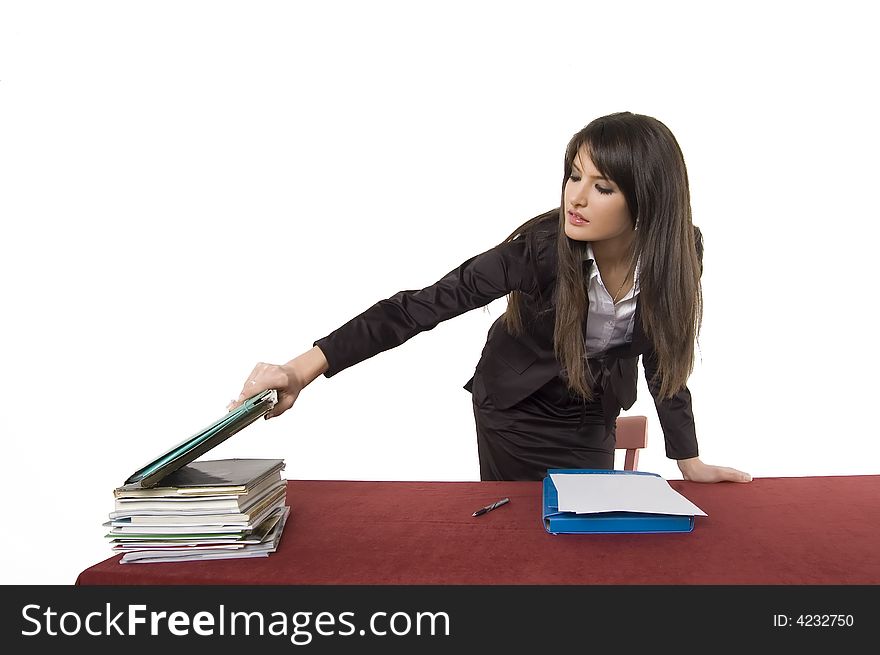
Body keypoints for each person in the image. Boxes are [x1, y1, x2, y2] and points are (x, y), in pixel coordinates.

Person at [227, 111, 751, 484]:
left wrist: (689, 459)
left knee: (590, 539)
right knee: (518, 541)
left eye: (603, 186)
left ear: (649, 200)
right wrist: (300, 370)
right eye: (574, 175)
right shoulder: (540, 250)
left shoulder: (678, 255)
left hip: (591, 414)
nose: (576, 196)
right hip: (515, 411)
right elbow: (420, 306)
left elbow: (666, 353)